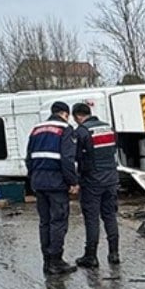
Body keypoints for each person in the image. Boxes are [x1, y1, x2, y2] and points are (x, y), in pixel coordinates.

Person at [26, 101, 79, 275]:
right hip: (56, 182)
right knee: (58, 221)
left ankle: (47, 261)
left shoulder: (36, 129)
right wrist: (72, 182)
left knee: (45, 222)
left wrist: (32, 178)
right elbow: (67, 159)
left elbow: (28, 158)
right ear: (66, 114)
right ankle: (56, 261)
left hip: (38, 181)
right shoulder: (65, 129)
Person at [71, 102, 120, 267]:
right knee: (110, 216)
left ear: (77, 116)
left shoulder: (82, 131)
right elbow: (113, 150)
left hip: (92, 181)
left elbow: (76, 156)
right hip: (111, 178)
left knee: (92, 219)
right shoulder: (108, 128)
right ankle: (114, 253)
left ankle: (91, 256)